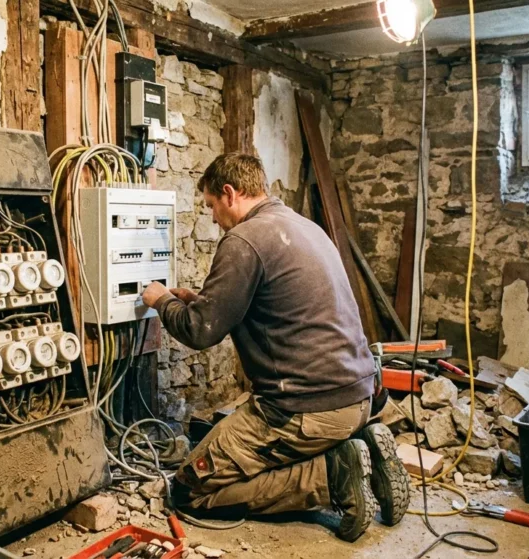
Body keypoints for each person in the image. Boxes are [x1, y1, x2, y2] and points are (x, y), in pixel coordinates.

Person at [141, 153, 409, 541]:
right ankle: (359, 446)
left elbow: (199, 332)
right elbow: (277, 305)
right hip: (361, 398)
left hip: (304, 410)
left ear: (229, 194)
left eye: (212, 206)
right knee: (239, 457)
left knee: (190, 489)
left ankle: (331, 477)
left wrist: (161, 300)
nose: (213, 219)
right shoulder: (305, 227)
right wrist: (199, 298)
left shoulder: (244, 240)